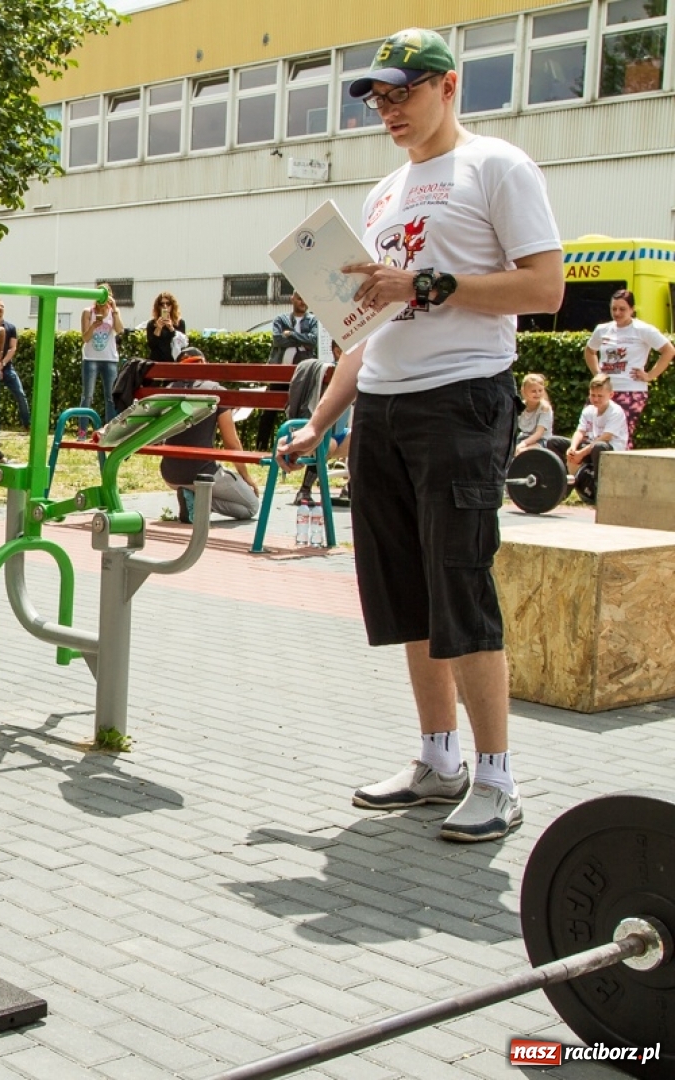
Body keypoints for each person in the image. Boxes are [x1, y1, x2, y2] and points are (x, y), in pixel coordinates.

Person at [279, 27, 563, 843]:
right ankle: (439, 763)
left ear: (448, 86)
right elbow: (365, 331)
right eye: (376, 98)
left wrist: (426, 283)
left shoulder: (497, 167)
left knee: (460, 589)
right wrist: (321, 421)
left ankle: (499, 778)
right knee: (407, 594)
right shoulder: (381, 195)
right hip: (387, 407)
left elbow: (545, 288)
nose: (387, 110)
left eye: (401, 93)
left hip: (463, 399)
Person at [160, 347, 260, 523]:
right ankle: (202, 504)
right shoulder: (216, 391)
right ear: (204, 364)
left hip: (171, 474)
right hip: (202, 472)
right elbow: (232, 443)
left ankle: (192, 499)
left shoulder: (168, 390)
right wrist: (246, 477)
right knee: (251, 507)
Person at [584, 289, 672, 447]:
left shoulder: (643, 330)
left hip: (631, 391)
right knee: (591, 432)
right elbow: (590, 351)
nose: (617, 313)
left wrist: (650, 375)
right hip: (603, 390)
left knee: (619, 435)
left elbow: (668, 351)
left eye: (622, 309)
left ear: (632, 309)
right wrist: (597, 373)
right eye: (614, 309)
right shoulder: (602, 329)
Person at [263, 292, 321, 449]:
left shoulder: (313, 320)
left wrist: (291, 334)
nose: (303, 302)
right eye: (300, 298)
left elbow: (314, 341)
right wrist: (302, 339)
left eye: (306, 298)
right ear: (292, 299)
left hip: (301, 375)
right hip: (280, 373)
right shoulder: (281, 319)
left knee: (298, 409)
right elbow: (277, 339)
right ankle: (261, 446)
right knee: (269, 410)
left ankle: (296, 444)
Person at [564, 374, 627, 494]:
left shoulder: (616, 412)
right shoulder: (589, 410)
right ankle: (563, 483)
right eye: (593, 395)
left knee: (599, 446)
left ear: (611, 395)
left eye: (600, 396)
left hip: (611, 449)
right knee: (555, 442)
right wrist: (572, 448)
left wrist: (581, 453)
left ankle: (598, 486)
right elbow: (580, 431)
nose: (596, 399)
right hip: (591, 446)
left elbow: (605, 438)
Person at [79, 287, 122, 433]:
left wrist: (114, 310)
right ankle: (82, 431)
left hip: (110, 359)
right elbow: (85, 338)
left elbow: (120, 330)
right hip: (90, 358)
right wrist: (93, 326)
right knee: (87, 396)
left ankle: (109, 432)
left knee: (110, 397)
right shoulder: (88, 312)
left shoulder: (113, 312)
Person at [0, 299, 30, 432]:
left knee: (20, 393)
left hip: (7, 367)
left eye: (2, 306)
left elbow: (13, 348)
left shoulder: (10, 328)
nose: (0, 308)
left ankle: (27, 424)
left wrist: (3, 363)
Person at [514, 373, 554, 453]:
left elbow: (539, 433)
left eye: (540, 390)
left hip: (541, 440)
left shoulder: (545, 409)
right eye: (533, 391)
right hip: (523, 437)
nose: (537, 394)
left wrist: (524, 443)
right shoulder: (521, 406)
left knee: (523, 452)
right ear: (524, 391)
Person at [144, 292, 185, 362]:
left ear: (172, 306)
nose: (165, 306)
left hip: (174, 362)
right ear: (158, 306)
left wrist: (171, 328)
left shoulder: (179, 323)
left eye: (168, 304)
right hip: (156, 362)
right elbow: (151, 345)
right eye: (161, 304)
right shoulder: (152, 324)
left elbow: (183, 344)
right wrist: (158, 328)